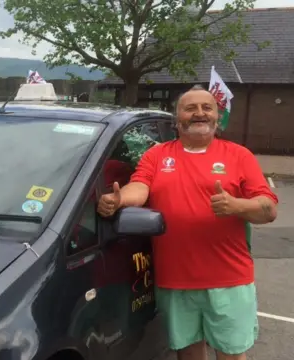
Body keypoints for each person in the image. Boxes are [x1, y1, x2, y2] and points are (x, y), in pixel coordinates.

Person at [97, 85, 278, 360]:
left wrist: (236, 205)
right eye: (190, 108)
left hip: (229, 279)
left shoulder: (239, 155)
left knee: (231, 354)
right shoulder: (156, 156)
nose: (199, 113)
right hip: (175, 281)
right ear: (176, 118)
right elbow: (140, 187)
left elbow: (269, 209)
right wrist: (118, 200)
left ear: (218, 118)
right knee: (189, 354)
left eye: (207, 108)